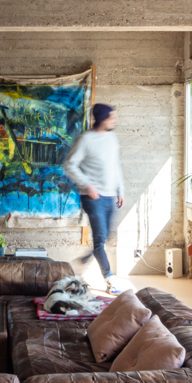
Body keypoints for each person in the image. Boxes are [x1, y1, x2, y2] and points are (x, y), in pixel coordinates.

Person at [63, 102, 126, 293]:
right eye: (111, 117)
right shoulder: (86, 139)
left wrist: (120, 190)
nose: (114, 120)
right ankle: (110, 279)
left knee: (105, 237)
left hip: (110, 195)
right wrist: (87, 185)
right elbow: (69, 165)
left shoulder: (112, 138)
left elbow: (115, 165)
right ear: (102, 119)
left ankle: (83, 261)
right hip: (93, 197)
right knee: (99, 240)